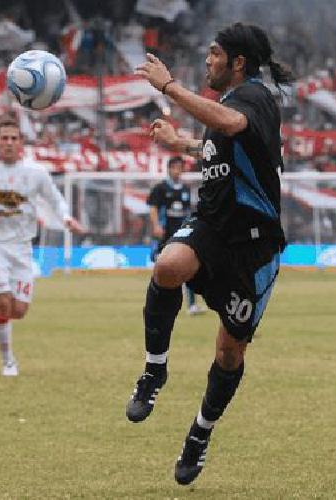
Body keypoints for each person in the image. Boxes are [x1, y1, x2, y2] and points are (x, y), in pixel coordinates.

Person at [129, 22, 294, 485]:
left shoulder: (254, 98)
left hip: (254, 245)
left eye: (214, 54)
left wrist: (168, 87)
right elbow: (221, 144)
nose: (207, 61)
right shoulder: (229, 104)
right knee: (167, 266)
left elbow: (231, 126)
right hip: (212, 226)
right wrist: (180, 143)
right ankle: (154, 371)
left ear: (238, 62)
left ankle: (199, 434)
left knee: (228, 351)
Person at [0, 119, 86, 377]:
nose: (9, 143)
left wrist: (67, 218)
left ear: (21, 142)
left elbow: (54, 199)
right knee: (4, 304)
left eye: (14, 138)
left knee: (19, 310)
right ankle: (8, 361)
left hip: (23, 247)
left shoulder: (36, 172)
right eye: (5, 138)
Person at [147, 156, 203, 315]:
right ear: (169, 169)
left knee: (189, 269)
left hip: (182, 235)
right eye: (176, 167)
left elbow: (187, 212)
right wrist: (156, 225)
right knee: (161, 268)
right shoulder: (160, 188)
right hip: (165, 234)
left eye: (181, 167)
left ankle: (192, 305)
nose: (179, 171)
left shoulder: (186, 189)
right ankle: (158, 304)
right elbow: (153, 208)